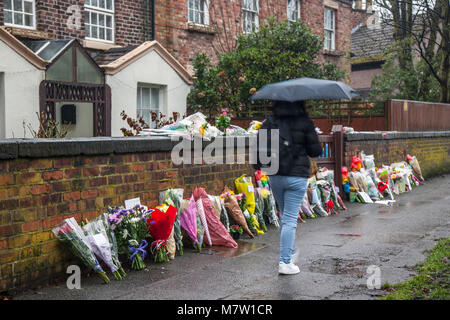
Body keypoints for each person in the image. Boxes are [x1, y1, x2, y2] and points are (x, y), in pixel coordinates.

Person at [255, 100, 322, 275]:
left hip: (275, 174)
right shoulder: (304, 122)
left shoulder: (268, 123)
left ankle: (291, 251)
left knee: (285, 215)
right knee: (290, 219)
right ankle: (285, 262)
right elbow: (315, 151)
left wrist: (259, 166)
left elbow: (258, 151)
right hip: (296, 175)